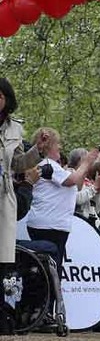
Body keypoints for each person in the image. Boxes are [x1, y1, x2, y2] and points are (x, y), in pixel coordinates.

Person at [0, 78, 47, 328]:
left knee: (4, 257)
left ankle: (5, 315)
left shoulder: (15, 129)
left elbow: (18, 164)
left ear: (7, 100)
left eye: (0, 96)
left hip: (4, 194)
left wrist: (37, 151)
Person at [28, 128, 100, 275]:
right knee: (51, 272)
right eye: (57, 144)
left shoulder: (53, 167)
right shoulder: (48, 165)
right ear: (49, 146)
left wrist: (88, 165)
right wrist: (86, 163)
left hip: (52, 225)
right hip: (49, 226)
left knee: (51, 269)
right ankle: (49, 297)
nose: (60, 147)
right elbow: (71, 180)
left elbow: (77, 184)